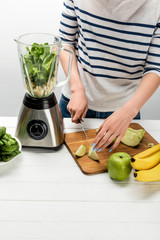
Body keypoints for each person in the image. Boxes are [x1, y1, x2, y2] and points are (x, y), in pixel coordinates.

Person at [58, 0, 160, 152]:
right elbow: (65, 42)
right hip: (75, 103)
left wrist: (127, 113)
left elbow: (155, 68)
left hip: (125, 111)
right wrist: (77, 89)